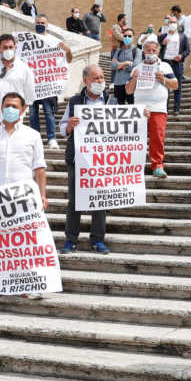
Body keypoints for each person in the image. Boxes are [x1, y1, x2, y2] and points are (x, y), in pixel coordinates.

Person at [0, 91, 48, 299]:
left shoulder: (32, 136)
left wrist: (42, 195)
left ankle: (28, 285)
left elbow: (39, 169)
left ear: (23, 110)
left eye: (15, 106)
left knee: (25, 243)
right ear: (1, 108)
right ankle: (0, 284)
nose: (10, 109)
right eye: (7, 105)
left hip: (23, 199)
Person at [58, 65, 113, 255]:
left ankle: (98, 240)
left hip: (101, 160)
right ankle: (70, 240)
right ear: (86, 80)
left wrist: (143, 115)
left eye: (102, 77)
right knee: (74, 201)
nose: (100, 81)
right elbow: (62, 128)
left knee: (100, 201)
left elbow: (124, 126)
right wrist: (70, 126)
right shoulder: (75, 102)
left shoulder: (111, 101)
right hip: (77, 159)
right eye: (96, 78)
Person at [126, 37, 178, 178]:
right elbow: (128, 91)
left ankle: (158, 166)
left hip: (158, 108)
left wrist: (164, 79)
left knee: (157, 138)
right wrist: (134, 78)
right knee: (136, 139)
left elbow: (175, 85)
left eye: (154, 50)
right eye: (148, 50)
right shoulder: (137, 67)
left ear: (158, 51)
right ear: (143, 52)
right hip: (139, 108)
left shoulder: (165, 66)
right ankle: (136, 166)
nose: (151, 52)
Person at [28, 15, 69, 148]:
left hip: (47, 84)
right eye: (38, 22)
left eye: (42, 23)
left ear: (47, 25)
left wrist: (67, 50)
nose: (40, 24)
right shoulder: (28, 41)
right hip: (32, 84)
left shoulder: (54, 41)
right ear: (34, 23)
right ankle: (35, 138)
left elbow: (68, 59)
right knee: (33, 113)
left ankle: (52, 138)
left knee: (48, 112)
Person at [0, 34, 36, 136]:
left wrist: (17, 114)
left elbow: (30, 97)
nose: (8, 50)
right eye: (5, 47)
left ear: (15, 48)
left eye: (11, 47)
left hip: (13, 120)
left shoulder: (24, 68)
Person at [159, 12, 186, 115]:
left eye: (174, 22)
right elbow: (155, 48)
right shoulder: (163, 36)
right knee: (165, 85)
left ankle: (176, 108)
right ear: (168, 23)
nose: (173, 24)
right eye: (171, 22)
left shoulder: (182, 36)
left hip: (176, 64)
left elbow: (187, 50)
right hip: (165, 64)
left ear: (177, 23)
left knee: (177, 87)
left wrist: (181, 56)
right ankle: (164, 108)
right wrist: (162, 43)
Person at [110, 27, 139, 104]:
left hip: (131, 84)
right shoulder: (118, 51)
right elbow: (112, 65)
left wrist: (119, 65)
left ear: (134, 37)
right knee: (120, 108)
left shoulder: (137, 51)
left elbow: (135, 67)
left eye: (129, 36)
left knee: (132, 107)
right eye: (125, 36)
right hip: (118, 83)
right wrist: (126, 62)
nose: (127, 38)